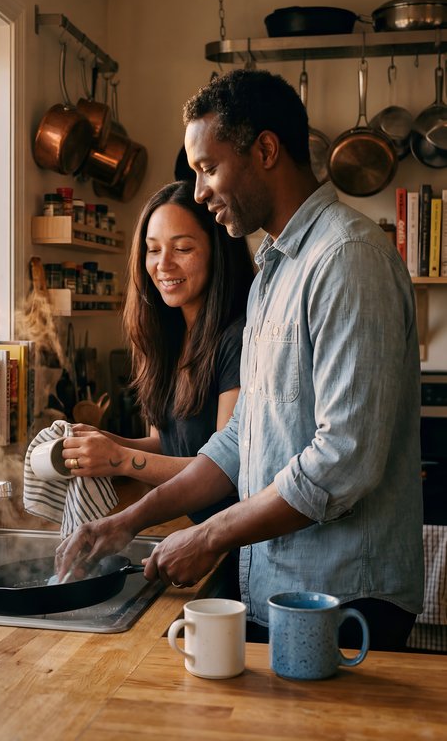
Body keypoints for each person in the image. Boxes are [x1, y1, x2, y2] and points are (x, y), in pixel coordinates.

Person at [57, 69, 424, 652]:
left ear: (267, 151)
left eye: (208, 168)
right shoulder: (271, 277)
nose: (198, 191)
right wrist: (129, 522)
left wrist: (208, 536)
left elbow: (342, 461)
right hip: (277, 586)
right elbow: (237, 443)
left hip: (344, 599)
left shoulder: (347, 259)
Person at [62, 180, 255, 524]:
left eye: (182, 249)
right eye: (153, 249)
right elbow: (165, 446)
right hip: (198, 528)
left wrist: (119, 458)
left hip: (236, 539)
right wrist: (103, 441)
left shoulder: (237, 338)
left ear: (217, 252)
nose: (163, 265)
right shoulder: (164, 337)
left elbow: (227, 473)